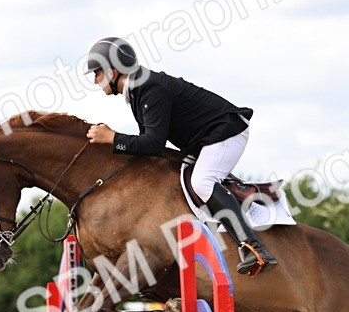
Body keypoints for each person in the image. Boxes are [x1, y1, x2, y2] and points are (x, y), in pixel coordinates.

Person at [83, 37, 277, 276]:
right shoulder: (137, 90)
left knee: (202, 182)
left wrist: (113, 138)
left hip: (226, 132)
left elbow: (153, 143)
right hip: (205, 140)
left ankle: (253, 247)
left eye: (98, 73)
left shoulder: (150, 87)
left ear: (112, 72)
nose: (95, 79)